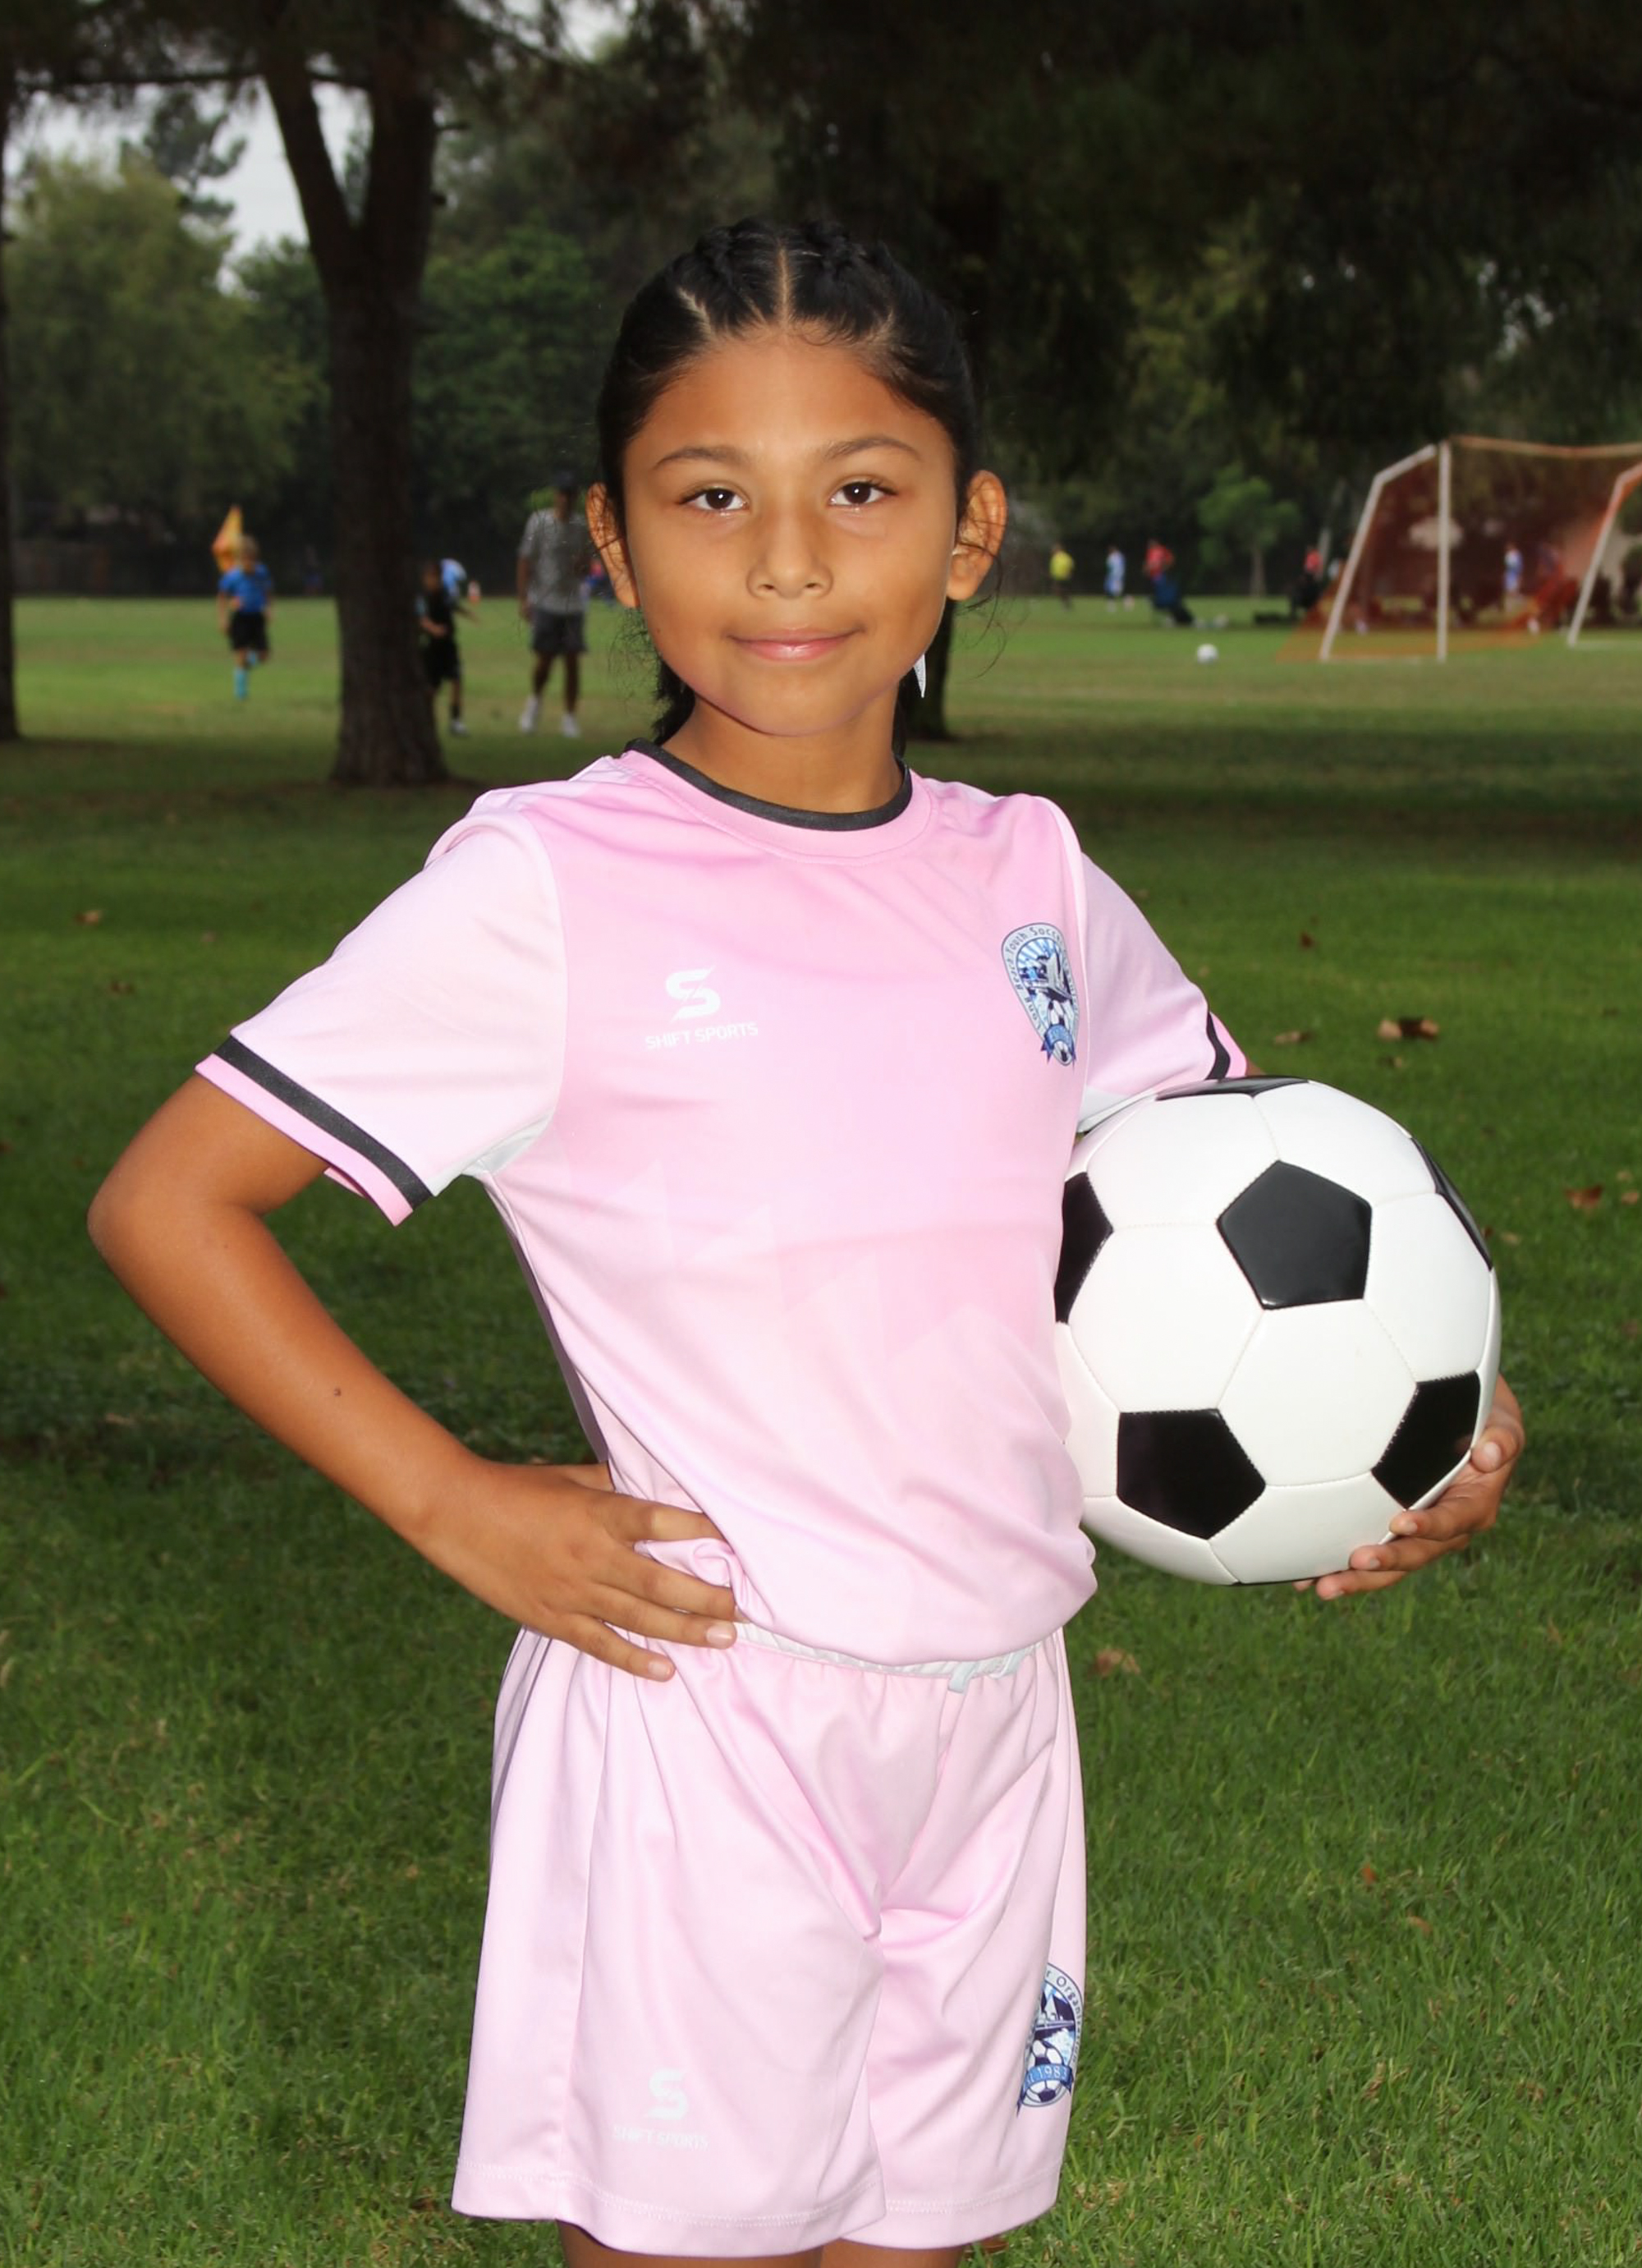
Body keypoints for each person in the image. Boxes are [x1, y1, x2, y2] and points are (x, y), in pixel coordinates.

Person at [88, 220, 1523, 2268]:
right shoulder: (548, 887)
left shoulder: (1032, 879)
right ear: (609, 537)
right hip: (707, 1713)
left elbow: (1256, 1202)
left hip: (996, 1712)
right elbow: (168, 1199)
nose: (784, 562)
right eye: (709, 498)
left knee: (924, 2239)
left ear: (969, 532)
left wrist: (1446, 1420)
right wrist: (451, 1500)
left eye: (858, 490)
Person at [518, 473, 593, 737]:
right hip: (545, 600)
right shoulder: (539, 522)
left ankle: (569, 716)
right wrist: (524, 598)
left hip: (571, 603)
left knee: (572, 660)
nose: (565, 499)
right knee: (545, 659)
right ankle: (535, 702)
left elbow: (586, 566)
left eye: (570, 494)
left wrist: (581, 565)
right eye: (562, 493)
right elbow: (525, 559)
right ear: (555, 495)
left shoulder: (580, 526)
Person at [418, 556, 471, 738]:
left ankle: (456, 721)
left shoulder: (445, 594)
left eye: (436, 576)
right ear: (424, 578)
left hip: (449, 646)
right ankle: (425, 721)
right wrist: (433, 629)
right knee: (432, 688)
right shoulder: (422, 598)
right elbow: (421, 618)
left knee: (456, 680)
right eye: (430, 576)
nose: (433, 580)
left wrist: (467, 614)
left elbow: (453, 606)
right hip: (432, 648)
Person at [216, 535, 273, 700]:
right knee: (241, 654)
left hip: (257, 617)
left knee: (263, 656)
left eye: (252, 559)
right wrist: (224, 619)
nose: (249, 563)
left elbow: (268, 592)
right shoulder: (233, 576)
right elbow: (222, 597)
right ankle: (241, 693)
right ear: (240, 559)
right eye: (245, 559)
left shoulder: (262, 573)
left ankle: (245, 663)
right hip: (241, 618)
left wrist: (268, 608)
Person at [1144, 535, 1195, 627]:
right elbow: (1149, 564)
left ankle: (1173, 616)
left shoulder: (1161, 550)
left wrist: (1164, 568)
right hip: (1153, 577)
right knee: (1159, 596)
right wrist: (1147, 570)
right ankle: (1172, 615)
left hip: (1160, 576)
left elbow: (1170, 559)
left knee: (1164, 596)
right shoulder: (1151, 552)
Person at [1047, 543, 1074, 608]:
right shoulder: (1056, 557)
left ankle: (1066, 602)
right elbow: (1053, 567)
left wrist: (1068, 572)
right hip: (1058, 577)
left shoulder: (1063, 557)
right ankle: (1065, 602)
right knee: (1060, 590)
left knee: (1061, 590)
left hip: (1063, 576)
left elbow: (1070, 565)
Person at [1103, 543, 1126, 610]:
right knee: (1115, 590)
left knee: (1114, 590)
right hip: (1119, 575)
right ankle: (1112, 604)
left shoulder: (1112, 557)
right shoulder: (1120, 556)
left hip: (1114, 576)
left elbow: (1109, 567)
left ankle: (1113, 604)